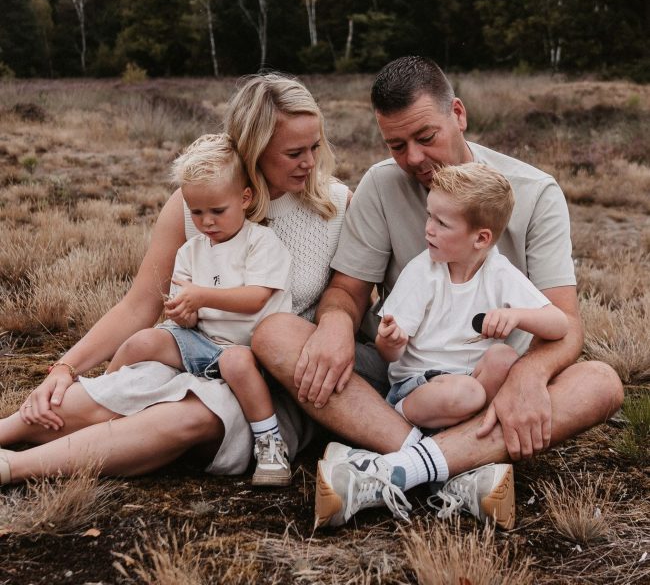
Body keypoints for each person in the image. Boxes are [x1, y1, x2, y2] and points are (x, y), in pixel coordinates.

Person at [250, 56, 623, 529]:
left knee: (601, 383)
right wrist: (336, 324)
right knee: (276, 333)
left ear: (459, 114)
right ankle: (452, 470)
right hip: (403, 377)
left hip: (496, 386)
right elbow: (345, 290)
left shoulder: (534, 192)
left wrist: (530, 375)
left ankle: (393, 468)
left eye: (426, 138)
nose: (413, 159)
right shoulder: (381, 185)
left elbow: (565, 327)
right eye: (396, 145)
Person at [0, 74, 349, 488]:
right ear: (253, 152)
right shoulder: (198, 202)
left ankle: (15, 469)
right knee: (106, 397)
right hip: (191, 352)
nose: (309, 162)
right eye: (294, 153)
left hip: (266, 380)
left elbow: (346, 302)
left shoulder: (336, 205)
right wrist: (64, 367)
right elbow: (141, 304)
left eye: (315, 147)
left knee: (187, 414)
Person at [108, 133, 295, 486]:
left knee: (234, 361)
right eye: (196, 212)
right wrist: (183, 313)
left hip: (252, 351)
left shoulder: (261, 242)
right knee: (142, 342)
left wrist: (201, 297)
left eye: (217, 211)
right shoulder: (191, 252)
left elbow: (255, 298)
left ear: (244, 198)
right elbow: (190, 312)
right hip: (203, 342)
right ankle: (107, 405)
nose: (206, 221)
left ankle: (270, 444)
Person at [376, 162, 568, 436]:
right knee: (465, 392)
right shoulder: (423, 272)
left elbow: (559, 324)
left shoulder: (499, 273)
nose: (429, 229)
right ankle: (401, 421)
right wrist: (389, 341)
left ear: (480, 238)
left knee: (503, 357)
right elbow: (390, 354)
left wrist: (517, 316)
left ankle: (462, 435)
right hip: (419, 387)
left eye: (442, 223)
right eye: (430, 216)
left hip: (473, 384)